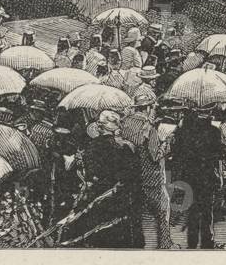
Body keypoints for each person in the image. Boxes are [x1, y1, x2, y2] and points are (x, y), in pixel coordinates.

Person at [72, 110, 143, 248]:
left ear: (100, 127)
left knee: (97, 232)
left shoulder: (94, 146)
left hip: (99, 195)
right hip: (121, 196)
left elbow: (90, 174)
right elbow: (133, 174)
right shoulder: (127, 146)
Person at [118, 86, 172, 249]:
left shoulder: (124, 123)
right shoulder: (149, 127)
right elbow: (155, 155)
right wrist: (167, 145)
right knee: (163, 210)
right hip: (150, 176)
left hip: (131, 175)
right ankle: (165, 243)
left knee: (134, 213)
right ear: (148, 108)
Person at [170, 107, 224, 249]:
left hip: (190, 175)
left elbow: (177, 152)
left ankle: (192, 241)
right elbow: (220, 154)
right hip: (207, 175)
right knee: (207, 209)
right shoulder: (214, 132)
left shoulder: (185, 131)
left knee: (192, 209)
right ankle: (207, 241)